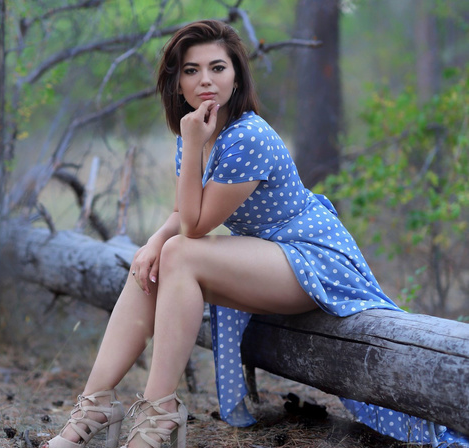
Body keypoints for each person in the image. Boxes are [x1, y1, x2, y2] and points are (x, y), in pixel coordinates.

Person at [43, 19, 469, 448]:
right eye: (191, 70)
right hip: (267, 256)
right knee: (154, 262)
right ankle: (93, 405)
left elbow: (194, 226)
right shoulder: (197, 130)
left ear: (236, 75)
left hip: (311, 257)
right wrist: (152, 242)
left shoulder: (247, 136)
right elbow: (183, 211)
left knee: (179, 253)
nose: (205, 80)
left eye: (217, 68)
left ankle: (159, 412)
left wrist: (191, 151)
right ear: (176, 83)